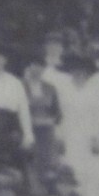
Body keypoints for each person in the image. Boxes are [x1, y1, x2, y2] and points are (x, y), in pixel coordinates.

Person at [54, 53, 99, 196]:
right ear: (70, 72)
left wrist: (95, 138)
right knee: (72, 167)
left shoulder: (95, 91)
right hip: (69, 134)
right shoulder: (63, 91)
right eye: (75, 71)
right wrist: (59, 137)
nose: (79, 74)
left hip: (89, 135)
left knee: (93, 171)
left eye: (83, 71)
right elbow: (58, 116)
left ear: (87, 73)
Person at [22, 58, 63, 187]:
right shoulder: (20, 85)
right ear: (29, 67)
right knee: (29, 165)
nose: (37, 69)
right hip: (27, 131)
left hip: (46, 133)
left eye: (40, 66)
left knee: (47, 164)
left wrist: (49, 120)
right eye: (34, 65)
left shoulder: (50, 88)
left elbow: (57, 114)